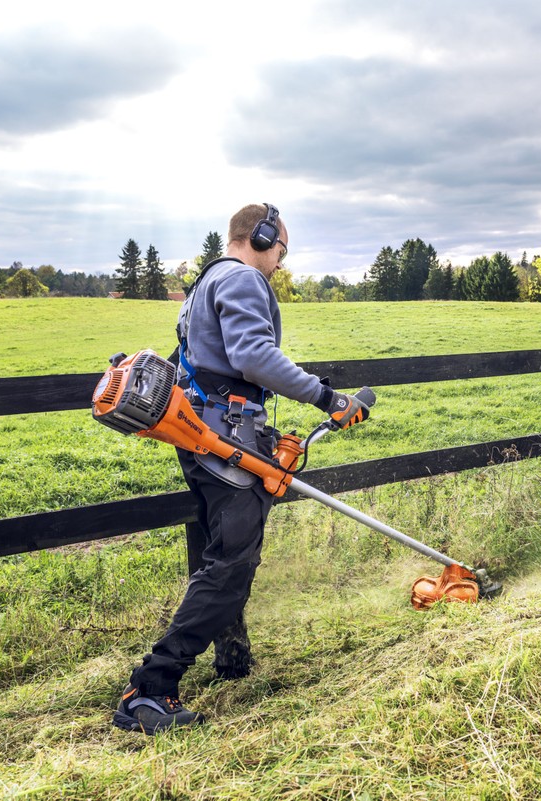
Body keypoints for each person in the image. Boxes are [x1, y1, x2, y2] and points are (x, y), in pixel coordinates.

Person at [114, 203, 367, 735]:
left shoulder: (205, 282)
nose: (280, 263)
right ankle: (151, 688)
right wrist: (329, 398)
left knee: (224, 559)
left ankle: (231, 657)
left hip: (202, 439)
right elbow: (254, 357)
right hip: (224, 442)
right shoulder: (244, 279)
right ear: (262, 236)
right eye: (281, 251)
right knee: (231, 566)